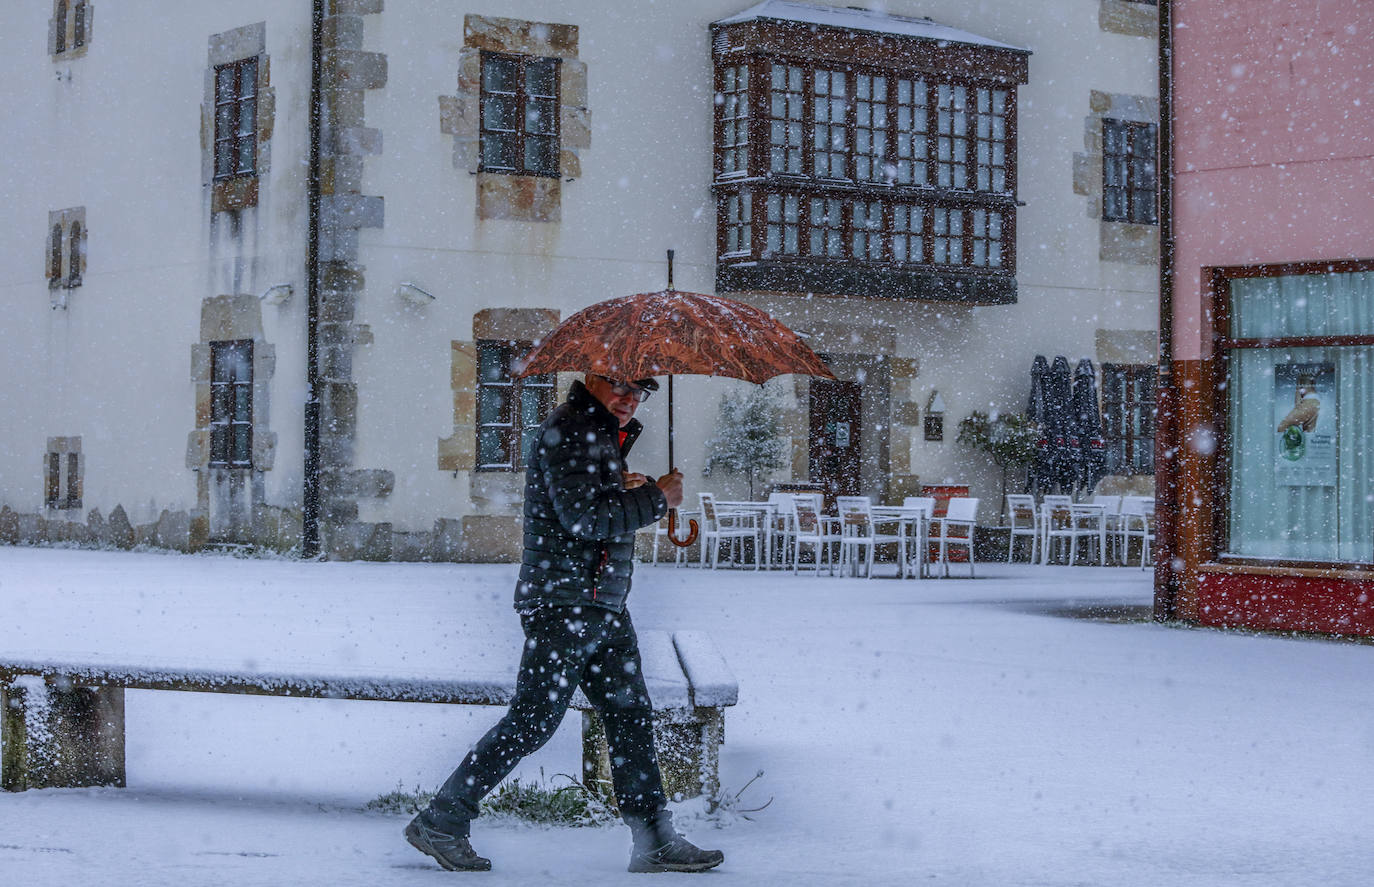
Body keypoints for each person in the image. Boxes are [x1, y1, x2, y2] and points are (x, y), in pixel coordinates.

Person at [405, 373, 725, 874]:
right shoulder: (572, 430)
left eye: (641, 391)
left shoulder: (596, 435)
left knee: (630, 718)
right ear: (592, 379)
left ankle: (654, 839)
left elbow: (590, 508)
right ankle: (442, 820)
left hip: (601, 604)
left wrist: (626, 487)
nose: (630, 398)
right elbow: (583, 520)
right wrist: (657, 500)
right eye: (619, 385)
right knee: (532, 722)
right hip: (565, 605)